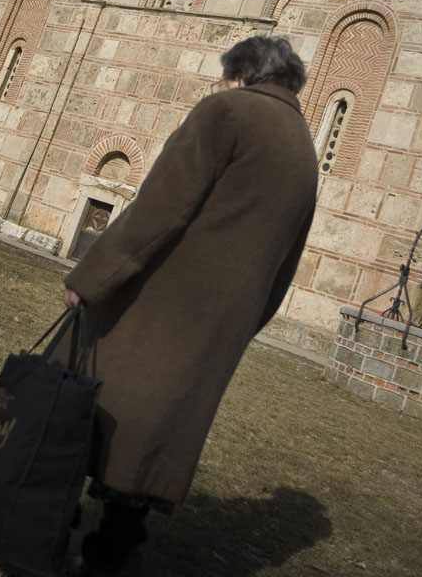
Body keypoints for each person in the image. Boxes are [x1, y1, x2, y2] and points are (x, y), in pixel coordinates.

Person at [58, 35, 319, 575]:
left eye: (225, 76)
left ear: (243, 75)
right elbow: (285, 264)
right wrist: (242, 324)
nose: (220, 86)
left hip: (155, 306)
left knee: (88, 405)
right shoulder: (305, 150)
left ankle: (42, 518)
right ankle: (112, 552)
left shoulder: (228, 110)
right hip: (216, 327)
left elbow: (160, 207)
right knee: (153, 437)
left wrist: (92, 277)